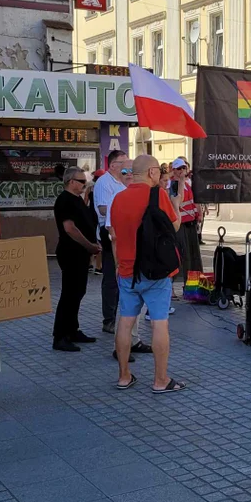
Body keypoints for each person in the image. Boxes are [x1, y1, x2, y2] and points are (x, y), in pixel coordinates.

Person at [110, 154, 186, 393]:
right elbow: (173, 226)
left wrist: (117, 265)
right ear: (152, 172)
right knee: (159, 323)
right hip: (155, 272)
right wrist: (176, 206)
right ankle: (160, 380)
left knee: (125, 322)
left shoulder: (118, 199)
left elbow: (114, 236)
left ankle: (124, 376)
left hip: (126, 270)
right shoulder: (158, 195)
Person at [52, 167, 101, 352]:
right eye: (81, 181)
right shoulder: (65, 200)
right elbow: (70, 228)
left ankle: (72, 329)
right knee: (69, 294)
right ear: (71, 181)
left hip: (81, 254)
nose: (84, 184)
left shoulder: (78, 199)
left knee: (78, 292)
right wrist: (89, 245)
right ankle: (60, 335)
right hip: (70, 252)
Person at [93, 151, 129, 333]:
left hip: (124, 231)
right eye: (123, 162)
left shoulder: (124, 182)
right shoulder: (103, 183)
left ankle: (122, 315)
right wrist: (123, 209)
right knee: (110, 277)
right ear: (113, 165)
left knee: (123, 275)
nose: (127, 165)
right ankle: (109, 319)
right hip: (108, 232)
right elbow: (102, 209)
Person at [170, 158, 203, 286]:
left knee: (193, 255)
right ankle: (183, 283)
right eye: (179, 169)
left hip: (190, 223)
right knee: (184, 256)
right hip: (181, 224)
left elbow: (193, 200)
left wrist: (198, 213)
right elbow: (178, 200)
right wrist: (181, 181)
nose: (182, 171)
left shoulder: (187, 184)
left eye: (184, 168)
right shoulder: (173, 185)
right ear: (174, 170)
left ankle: (193, 284)